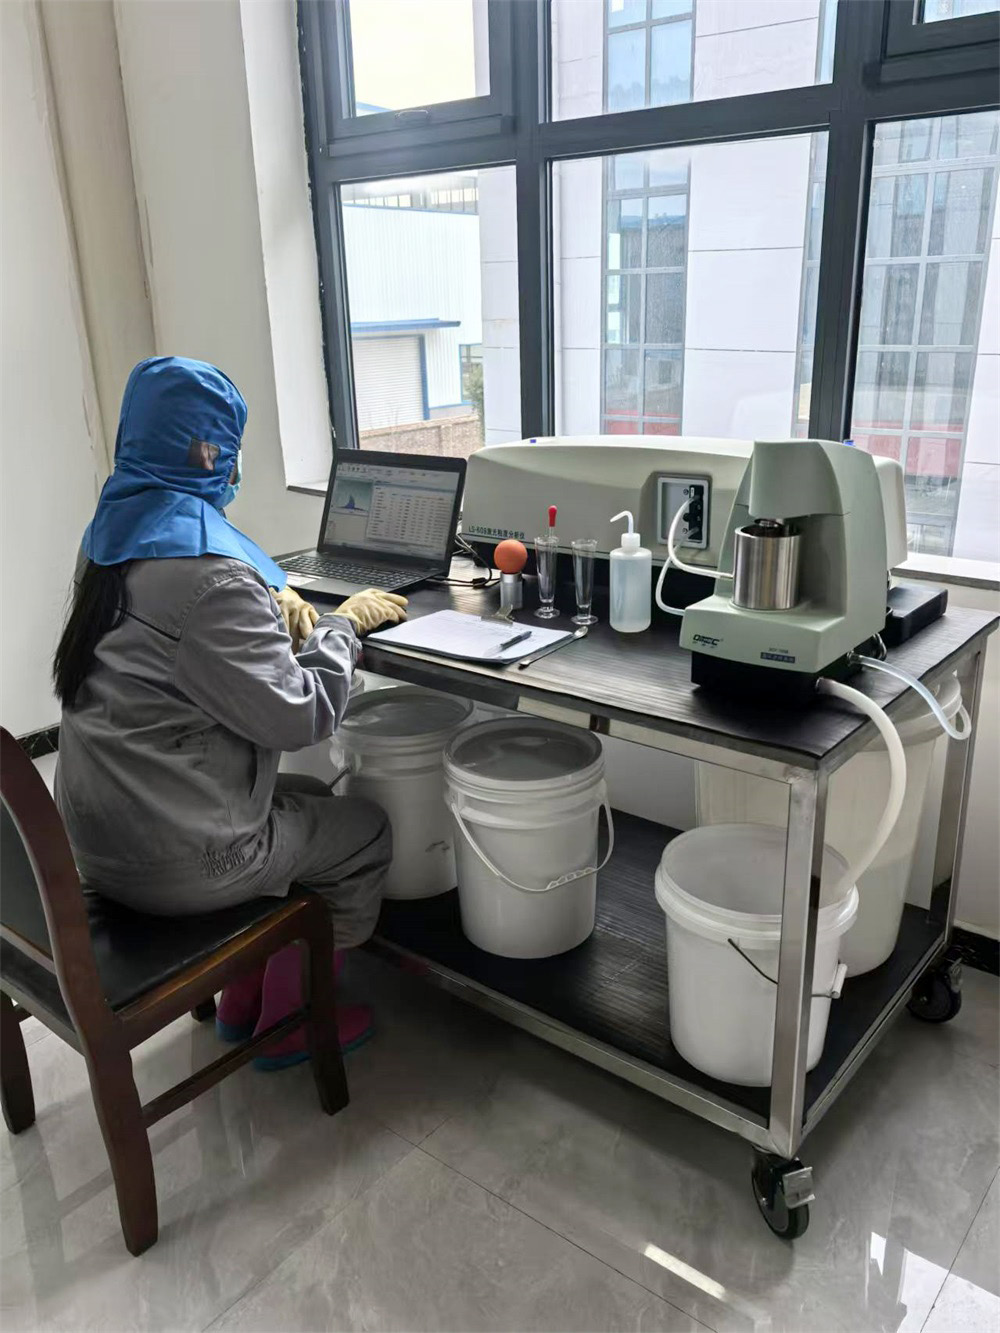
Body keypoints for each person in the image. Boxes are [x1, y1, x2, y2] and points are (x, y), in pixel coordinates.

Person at [53, 356, 407, 1068]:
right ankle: (294, 1019)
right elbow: (303, 716)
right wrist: (343, 625)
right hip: (176, 860)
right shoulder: (214, 579)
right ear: (212, 455)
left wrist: (270, 605)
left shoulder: (109, 539)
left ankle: (244, 999)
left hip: (98, 840)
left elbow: (182, 646)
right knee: (365, 830)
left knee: (307, 795)